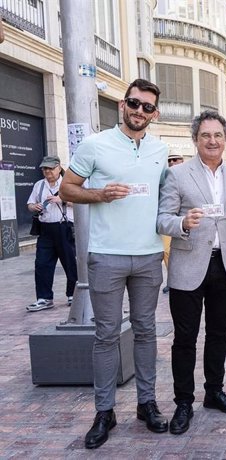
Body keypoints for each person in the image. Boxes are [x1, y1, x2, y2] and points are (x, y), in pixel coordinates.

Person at [59, 79, 169, 448]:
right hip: (106, 256)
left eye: (147, 107)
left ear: (155, 114)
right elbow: (66, 189)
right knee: (105, 335)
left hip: (149, 255)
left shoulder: (160, 148)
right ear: (123, 105)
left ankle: (146, 403)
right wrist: (99, 194)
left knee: (146, 330)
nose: (140, 112)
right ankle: (104, 411)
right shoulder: (95, 145)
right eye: (134, 104)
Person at [158, 110, 226, 434]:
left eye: (218, 136)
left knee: (218, 334)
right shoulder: (178, 175)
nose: (212, 141)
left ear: (225, 140)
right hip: (187, 265)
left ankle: (214, 392)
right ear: (195, 139)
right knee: (185, 338)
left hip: (225, 265)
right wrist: (182, 223)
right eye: (205, 136)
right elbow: (162, 219)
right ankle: (183, 402)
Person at [26, 156, 77, 312]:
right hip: (46, 229)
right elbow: (29, 204)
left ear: (58, 167)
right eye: (44, 169)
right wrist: (35, 207)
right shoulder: (39, 185)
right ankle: (44, 298)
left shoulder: (69, 184)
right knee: (42, 264)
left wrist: (61, 200)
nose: (47, 172)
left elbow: (79, 203)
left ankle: (73, 294)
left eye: (50, 168)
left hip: (65, 227)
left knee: (70, 262)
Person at [162, 153, 185, 294]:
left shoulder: (188, 175)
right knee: (167, 251)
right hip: (168, 221)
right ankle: (172, 279)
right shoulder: (164, 176)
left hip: (186, 224)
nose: (172, 162)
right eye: (170, 160)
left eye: (175, 160)